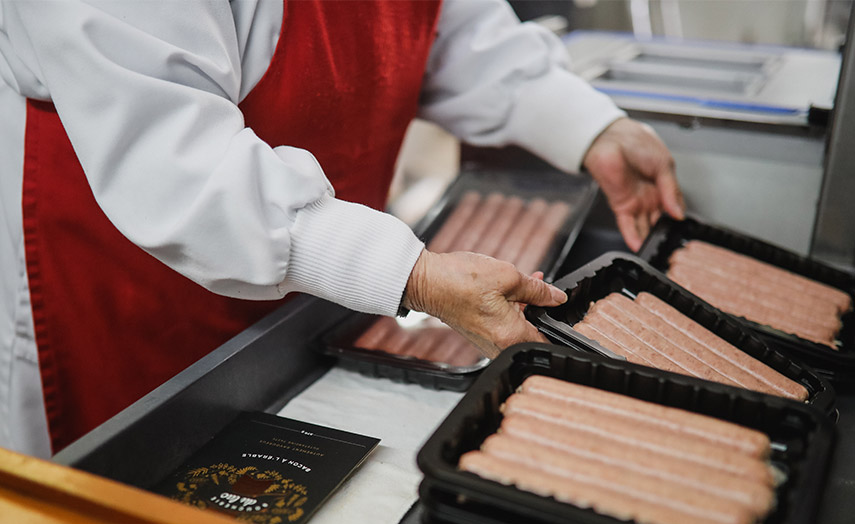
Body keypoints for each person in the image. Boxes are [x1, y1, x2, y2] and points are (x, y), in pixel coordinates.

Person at [0, 0, 683, 459]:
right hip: (121, 283)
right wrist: (409, 274)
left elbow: (450, 28)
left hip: (314, 277)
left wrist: (586, 125)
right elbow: (173, 159)